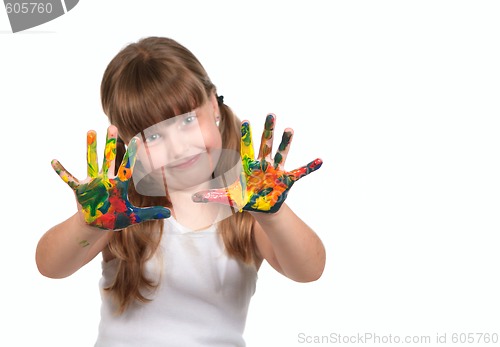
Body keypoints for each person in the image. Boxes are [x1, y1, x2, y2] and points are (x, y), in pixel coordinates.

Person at [36, 36, 326, 347]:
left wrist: (275, 213)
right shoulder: (120, 209)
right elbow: (52, 267)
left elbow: (308, 270)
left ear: (213, 104)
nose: (178, 148)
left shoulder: (249, 203)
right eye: (154, 135)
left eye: (188, 120)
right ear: (127, 143)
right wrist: (86, 223)